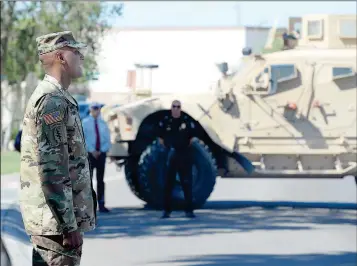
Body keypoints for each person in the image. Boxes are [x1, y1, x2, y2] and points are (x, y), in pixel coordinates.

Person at [19, 31, 96, 266]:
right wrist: (68, 225)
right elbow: (52, 169)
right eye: (76, 51)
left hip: (57, 225)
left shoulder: (59, 97)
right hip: (56, 228)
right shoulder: (51, 101)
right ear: (61, 57)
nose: (81, 56)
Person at [158, 100, 197, 219]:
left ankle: (189, 210)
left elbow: (192, 138)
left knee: (186, 183)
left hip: (184, 154)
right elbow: (160, 138)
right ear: (171, 108)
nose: (176, 109)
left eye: (178, 107)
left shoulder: (186, 120)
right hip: (171, 154)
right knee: (168, 184)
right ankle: (166, 210)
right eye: (174, 107)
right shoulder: (166, 121)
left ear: (180, 108)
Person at [82, 102, 111, 213]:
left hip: (101, 154)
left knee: (100, 180)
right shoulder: (85, 123)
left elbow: (107, 139)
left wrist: (101, 150)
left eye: (98, 108)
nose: (96, 111)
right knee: (88, 180)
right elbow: (82, 139)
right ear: (90, 109)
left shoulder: (103, 123)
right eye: (94, 108)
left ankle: (102, 204)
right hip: (89, 154)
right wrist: (92, 150)